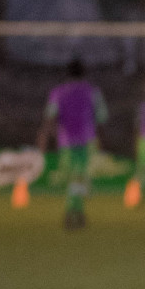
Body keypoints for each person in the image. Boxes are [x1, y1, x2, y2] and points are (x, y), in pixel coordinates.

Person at [37, 58, 108, 230]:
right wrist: (102, 139)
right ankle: (76, 210)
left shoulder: (58, 92)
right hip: (87, 140)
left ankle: (74, 211)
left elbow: (49, 117)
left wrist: (47, 137)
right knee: (80, 176)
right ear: (84, 73)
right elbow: (101, 117)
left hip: (66, 140)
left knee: (73, 178)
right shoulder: (92, 91)